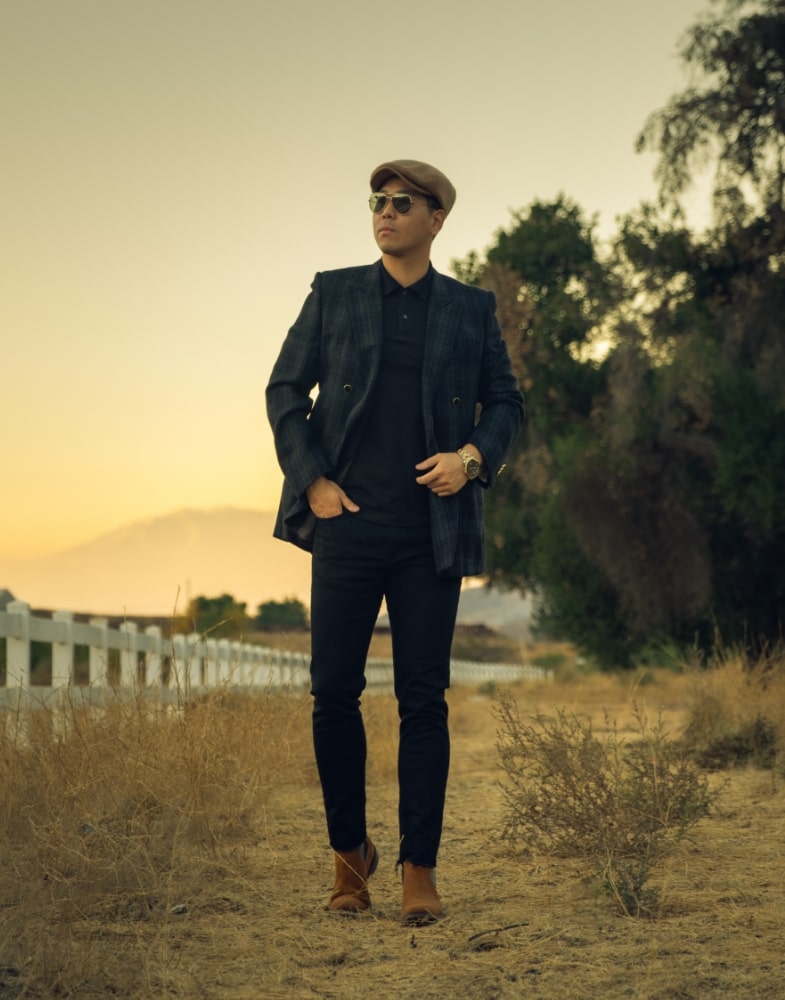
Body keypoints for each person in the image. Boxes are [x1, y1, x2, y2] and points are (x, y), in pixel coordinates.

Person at [266, 159, 524, 924]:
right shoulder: (335, 291)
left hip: (428, 536)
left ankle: (419, 868)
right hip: (345, 528)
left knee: (423, 700)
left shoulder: (469, 309)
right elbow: (284, 389)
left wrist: (470, 458)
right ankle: (350, 862)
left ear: (436, 218)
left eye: (401, 203)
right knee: (332, 695)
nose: (384, 212)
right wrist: (312, 481)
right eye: (377, 201)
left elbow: (505, 403)